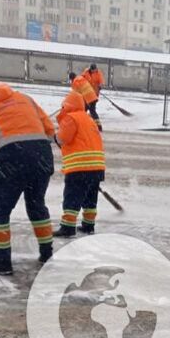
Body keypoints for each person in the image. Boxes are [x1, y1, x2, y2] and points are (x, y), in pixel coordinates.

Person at [0, 71, 59, 274]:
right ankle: (47, 254)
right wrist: (34, 149)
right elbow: (49, 129)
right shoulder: (22, 97)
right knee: (36, 205)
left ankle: (2, 262)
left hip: (10, 159)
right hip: (41, 154)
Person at [55, 73, 107, 237]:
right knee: (90, 198)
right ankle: (88, 225)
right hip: (97, 167)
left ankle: (68, 227)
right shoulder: (88, 118)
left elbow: (63, 138)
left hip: (79, 168)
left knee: (72, 196)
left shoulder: (70, 118)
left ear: (67, 105)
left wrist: (54, 138)